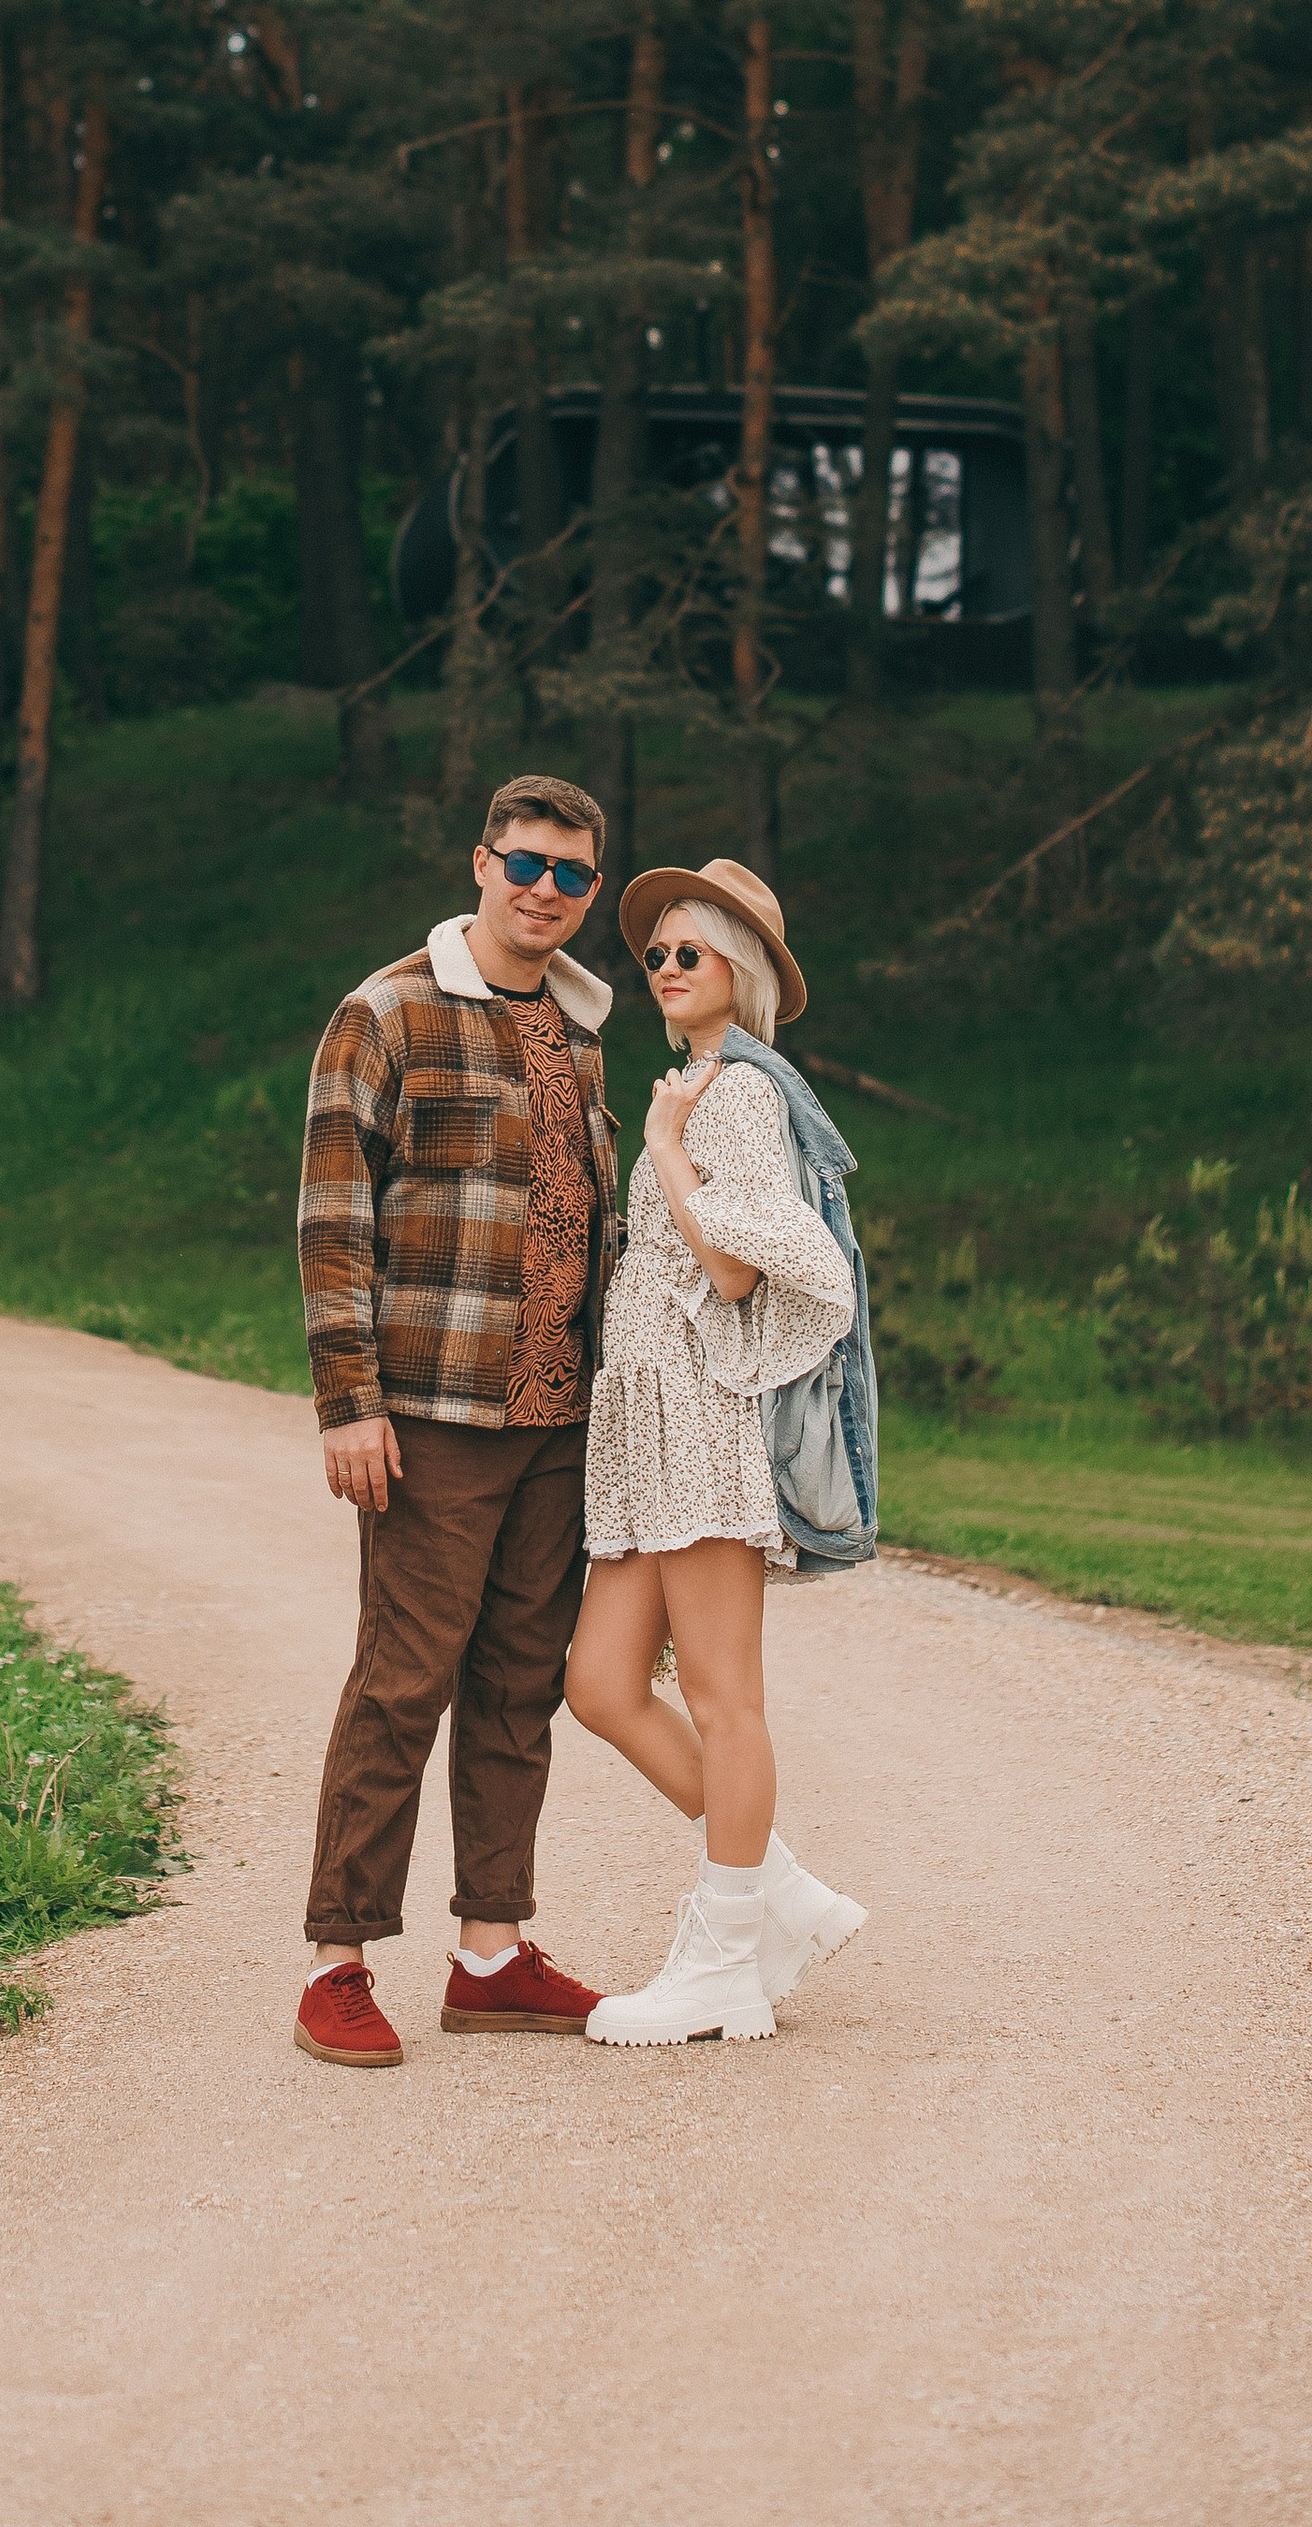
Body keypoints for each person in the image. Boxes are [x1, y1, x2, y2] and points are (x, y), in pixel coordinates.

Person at [290, 774, 619, 2068]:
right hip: (433, 1413)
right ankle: (339, 1959)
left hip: (556, 1418)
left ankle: (491, 1949)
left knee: (518, 1688)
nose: (546, 890)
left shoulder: (582, 1031)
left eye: (572, 874)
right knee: (402, 1680)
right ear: (481, 861)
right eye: (527, 863)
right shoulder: (388, 1011)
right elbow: (333, 1218)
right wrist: (348, 1404)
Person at [564, 855, 870, 2047]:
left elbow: (743, 1268)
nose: (667, 970)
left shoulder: (734, 1092)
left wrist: (670, 1149)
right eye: (656, 956)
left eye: (690, 953)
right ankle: (778, 1890)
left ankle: (726, 1957)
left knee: (720, 1695)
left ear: (738, 970)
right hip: (644, 1428)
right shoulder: (697, 1085)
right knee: (598, 1683)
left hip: (697, 1414)